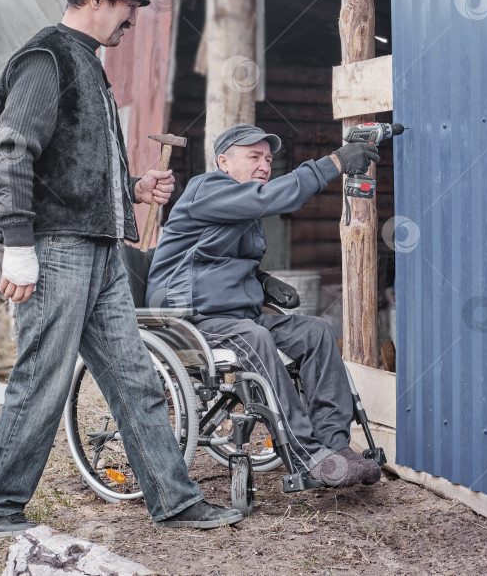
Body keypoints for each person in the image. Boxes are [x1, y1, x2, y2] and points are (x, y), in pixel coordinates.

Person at [0, 0, 242, 537]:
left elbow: (73, 165)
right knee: (43, 380)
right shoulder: (47, 59)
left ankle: (174, 501)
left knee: (136, 380)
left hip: (99, 252)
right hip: (58, 249)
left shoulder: (88, 65)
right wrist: (18, 245)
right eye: (127, 6)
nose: (133, 18)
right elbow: (11, 152)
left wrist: (133, 188)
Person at [146, 124, 383, 488]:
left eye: (269, 159)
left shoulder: (242, 207)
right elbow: (266, 198)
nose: (264, 165)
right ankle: (307, 457)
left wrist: (262, 280)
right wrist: (334, 162)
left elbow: (215, 260)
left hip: (236, 317)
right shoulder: (206, 189)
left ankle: (335, 447)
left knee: (315, 331)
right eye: (253, 156)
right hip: (190, 317)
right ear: (223, 161)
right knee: (254, 336)